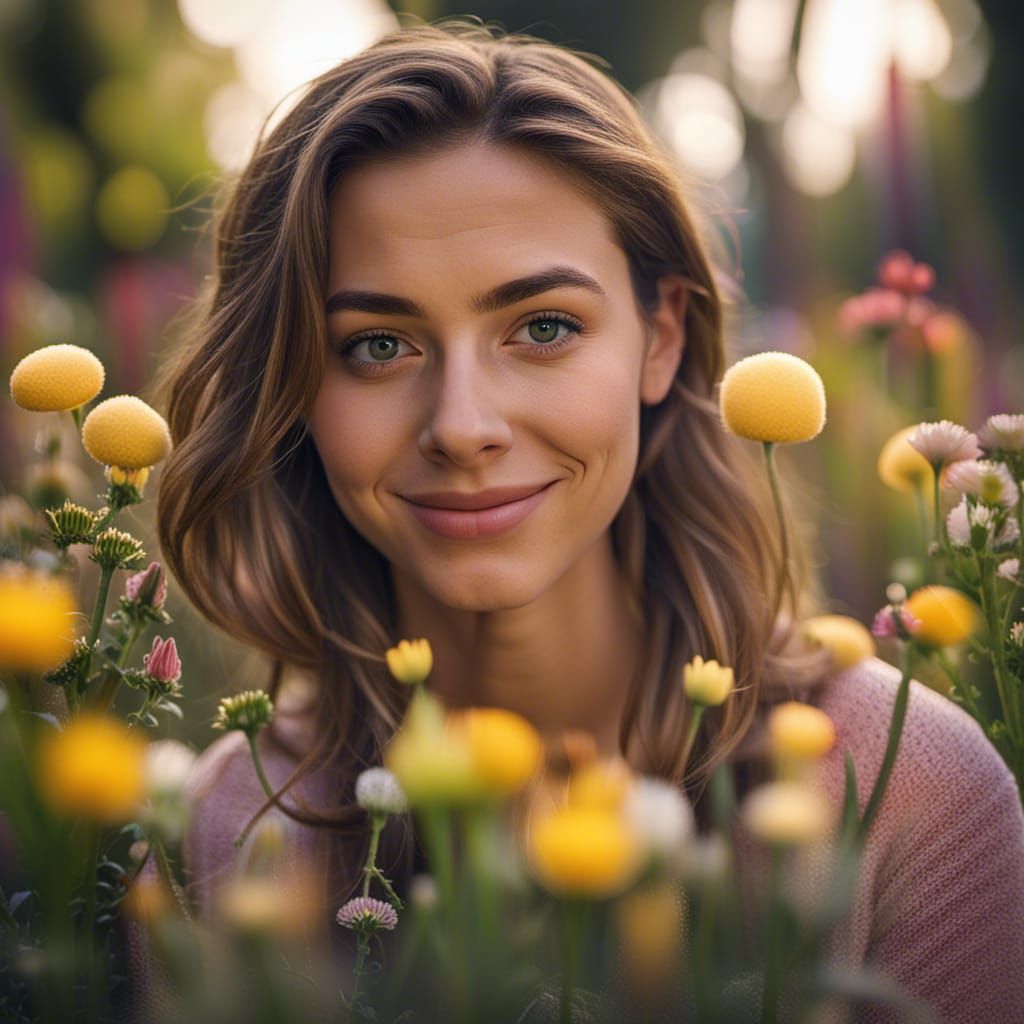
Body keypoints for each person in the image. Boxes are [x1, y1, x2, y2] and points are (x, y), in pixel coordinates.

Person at [142, 16, 1024, 1024]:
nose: (462, 425)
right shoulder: (220, 832)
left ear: (659, 337)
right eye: (378, 344)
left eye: (544, 328)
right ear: (295, 383)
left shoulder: (905, 793)